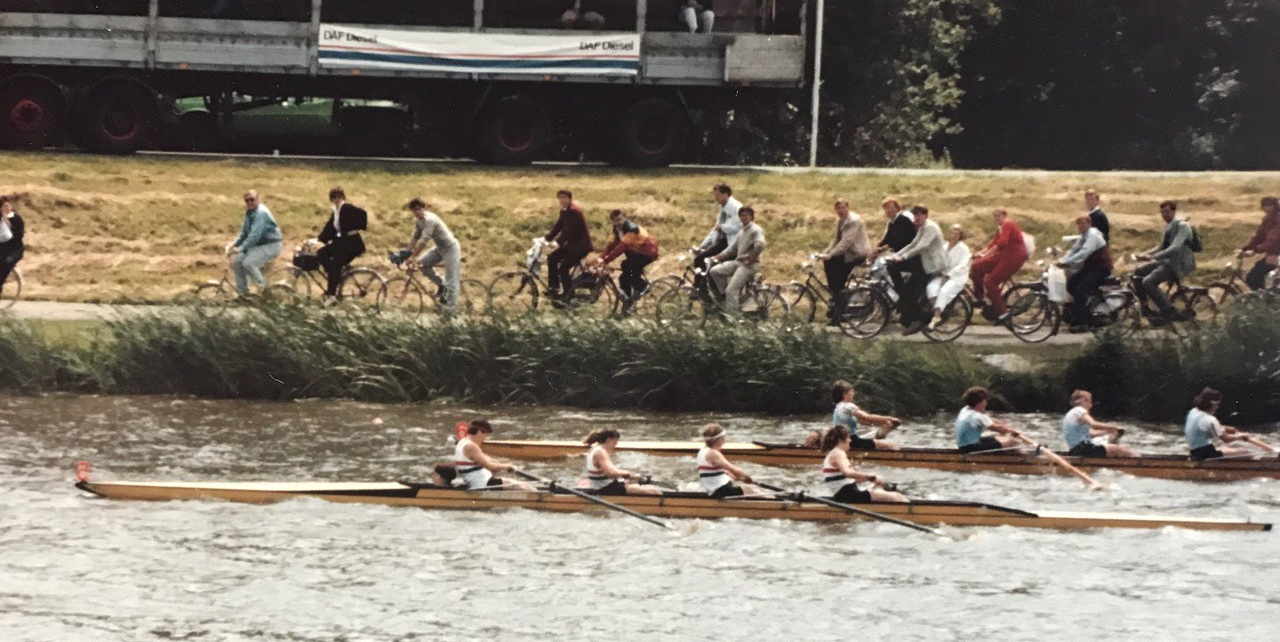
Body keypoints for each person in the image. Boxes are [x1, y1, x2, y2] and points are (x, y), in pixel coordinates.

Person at [1130, 200, 1196, 325]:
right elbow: (1161, 247)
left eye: (1167, 211)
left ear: (1173, 211)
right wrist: (1144, 254)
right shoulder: (1169, 226)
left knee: (1148, 282)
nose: (1164, 215)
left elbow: (1175, 247)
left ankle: (1169, 311)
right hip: (1166, 261)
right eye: (1162, 212)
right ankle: (1147, 309)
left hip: (1178, 263)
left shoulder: (1182, 226)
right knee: (1137, 273)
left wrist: (1154, 257)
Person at [886, 205, 946, 335]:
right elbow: (913, 244)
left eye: (919, 215)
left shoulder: (930, 227)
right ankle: (908, 312)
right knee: (902, 280)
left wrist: (903, 257)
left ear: (926, 216)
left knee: (912, 290)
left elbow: (922, 246)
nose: (917, 218)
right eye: (915, 215)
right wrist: (896, 255)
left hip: (932, 266)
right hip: (925, 264)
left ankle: (919, 319)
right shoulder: (923, 227)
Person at [819, 425, 908, 503]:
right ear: (840, 440)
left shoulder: (831, 454)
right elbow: (848, 473)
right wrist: (870, 476)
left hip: (844, 495)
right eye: (848, 437)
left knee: (879, 488)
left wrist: (870, 479)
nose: (850, 440)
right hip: (849, 495)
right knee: (897, 497)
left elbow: (841, 480)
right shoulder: (838, 453)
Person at [817, 198, 871, 324]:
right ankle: (836, 298)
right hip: (848, 254)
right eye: (838, 208)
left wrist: (831, 255)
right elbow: (836, 240)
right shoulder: (842, 221)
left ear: (847, 207)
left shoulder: (854, 220)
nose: (840, 210)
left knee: (837, 277)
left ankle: (839, 307)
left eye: (842, 207)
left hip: (857, 254)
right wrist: (825, 252)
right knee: (831, 267)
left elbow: (846, 242)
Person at [403, 198, 462, 313]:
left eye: (418, 209)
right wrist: (406, 253)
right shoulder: (418, 220)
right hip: (440, 247)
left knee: (452, 280)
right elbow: (415, 237)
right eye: (413, 210)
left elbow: (424, 241)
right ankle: (441, 284)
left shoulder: (430, 219)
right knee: (421, 265)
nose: (416, 212)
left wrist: (412, 257)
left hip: (451, 248)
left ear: (423, 208)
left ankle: (450, 311)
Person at [969, 209, 1028, 322]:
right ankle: (980, 297)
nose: (996, 218)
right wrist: (980, 253)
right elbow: (993, 244)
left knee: (990, 282)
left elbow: (1002, 243)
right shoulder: (1000, 227)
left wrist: (986, 254)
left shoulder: (1008, 224)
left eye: (998, 216)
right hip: (1004, 255)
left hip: (1014, 257)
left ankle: (1002, 314)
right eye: (994, 216)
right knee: (976, 267)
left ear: (1005, 215)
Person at [1184, 388, 1277, 460]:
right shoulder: (1210, 419)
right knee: (1247, 452)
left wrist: (1230, 429)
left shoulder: (1193, 412)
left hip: (1195, 452)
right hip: (1206, 454)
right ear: (1212, 404)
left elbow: (1204, 426)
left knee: (1230, 448)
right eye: (1217, 404)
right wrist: (1242, 436)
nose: (1217, 407)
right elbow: (1226, 439)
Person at [1056, 215, 1112, 332]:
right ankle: (1083, 312)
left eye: (1083, 224)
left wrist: (1068, 262)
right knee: (1071, 283)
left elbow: (1084, 252)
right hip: (1091, 268)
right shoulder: (1084, 236)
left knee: (1080, 291)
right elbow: (1074, 250)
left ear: (1089, 224)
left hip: (1101, 268)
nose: (1081, 226)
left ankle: (1083, 323)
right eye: (1079, 224)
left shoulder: (1092, 235)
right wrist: (1063, 260)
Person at [707, 206, 765, 315]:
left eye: (747, 215)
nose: (744, 217)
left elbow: (760, 245)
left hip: (749, 266)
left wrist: (751, 258)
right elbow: (732, 249)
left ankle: (732, 319)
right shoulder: (742, 231)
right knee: (714, 271)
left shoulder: (756, 230)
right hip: (739, 263)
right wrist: (716, 257)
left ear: (752, 217)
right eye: (742, 215)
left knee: (731, 290)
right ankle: (725, 299)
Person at [225, 190, 283, 297]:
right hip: (259, 245)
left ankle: (266, 291)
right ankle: (243, 294)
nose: (250, 202)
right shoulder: (250, 213)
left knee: (249, 263)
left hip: (271, 245)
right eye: (247, 201)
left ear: (258, 199)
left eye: (252, 199)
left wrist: (240, 248)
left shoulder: (261, 213)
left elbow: (254, 235)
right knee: (237, 262)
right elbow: (244, 234)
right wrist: (233, 245)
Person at [593, 209, 659, 301]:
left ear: (625, 217)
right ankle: (628, 301)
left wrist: (606, 260)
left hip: (647, 252)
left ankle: (644, 287)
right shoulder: (617, 230)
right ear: (612, 221)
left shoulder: (632, 228)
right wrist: (601, 258)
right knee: (624, 278)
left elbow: (621, 247)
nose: (618, 222)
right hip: (636, 253)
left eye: (620, 219)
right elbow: (611, 246)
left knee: (626, 265)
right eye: (615, 220)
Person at [316, 187, 368, 302]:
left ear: (342, 197)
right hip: (342, 242)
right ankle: (334, 277)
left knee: (335, 264)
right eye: (334, 197)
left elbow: (363, 214)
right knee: (320, 253)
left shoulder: (346, 208)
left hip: (352, 244)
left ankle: (332, 295)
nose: (336, 199)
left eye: (339, 197)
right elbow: (330, 227)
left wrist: (355, 228)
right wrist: (319, 239)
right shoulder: (336, 211)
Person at [454, 420, 535, 490]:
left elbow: (483, 459)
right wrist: (507, 466)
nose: (485, 438)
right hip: (482, 483)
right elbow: (490, 467)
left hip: (478, 480)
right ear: (479, 432)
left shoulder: (463, 442)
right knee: (524, 486)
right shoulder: (471, 446)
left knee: (519, 484)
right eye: (485, 435)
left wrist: (498, 463)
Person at [579, 429, 662, 496]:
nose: (615, 445)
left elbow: (607, 472)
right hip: (606, 488)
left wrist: (628, 476)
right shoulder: (601, 452)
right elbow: (610, 472)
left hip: (601, 485)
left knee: (634, 483)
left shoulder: (593, 449)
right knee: (654, 491)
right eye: (615, 442)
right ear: (608, 440)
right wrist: (628, 474)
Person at [696, 424, 770, 498]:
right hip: (720, 491)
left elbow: (716, 471)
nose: (724, 441)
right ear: (717, 440)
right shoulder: (713, 453)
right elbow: (733, 469)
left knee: (754, 489)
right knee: (752, 489)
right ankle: (775, 506)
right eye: (723, 438)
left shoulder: (702, 451)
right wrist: (747, 477)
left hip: (715, 489)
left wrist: (738, 477)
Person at [544, 190, 593, 300]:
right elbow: (558, 226)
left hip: (581, 247)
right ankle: (553, 288)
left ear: (570, 199)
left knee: (563, 268)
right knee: (552, 258)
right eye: (560, 198)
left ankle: (568, 295)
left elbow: (567, 231)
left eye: (565, 198)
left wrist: (557, 242)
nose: (562, 200)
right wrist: (546, 239)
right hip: (572, 246)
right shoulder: (565, 211)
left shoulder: (574, 211)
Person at [694, 184, 742, 292]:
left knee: (703, 261)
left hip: (731, 244)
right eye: (715, 195)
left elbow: (739, 226)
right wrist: (703, 245)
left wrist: (723, 227)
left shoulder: (736, 206)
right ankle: (704, 290)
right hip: (722, 242)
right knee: (701, 259)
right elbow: (716, 228)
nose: (716, 198)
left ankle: (703, 290)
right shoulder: (722, 207)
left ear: (726, 194)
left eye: (718, 195)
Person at [1062, 390, 1138, 458]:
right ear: (1079, 401)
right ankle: (1141, 466)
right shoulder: (1079, 410)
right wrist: (1114, 427)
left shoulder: (1071, 414)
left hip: (1076, 451)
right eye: (1088, 401)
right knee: (1123, 449)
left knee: (1115, 449)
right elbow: (1093, 424)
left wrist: (1107, 432)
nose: (1091, 405)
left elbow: (1090, 434)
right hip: (1083, 449)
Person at [830, 380, 901, 450]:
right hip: (852, 441)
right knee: (891, 446)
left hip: (843, 440)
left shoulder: (838, 407)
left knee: (877, 435)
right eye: (851, 391)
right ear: (844, 394)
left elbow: (867, 422)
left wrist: (885, 424)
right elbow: (867, 417)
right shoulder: (848, 406)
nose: (854, 393)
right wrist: (889, 418)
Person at [954, 387, 1023, 453]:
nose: (986, 403)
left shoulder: (965, 410)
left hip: (964, 445)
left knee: (999, 437)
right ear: (979, 403)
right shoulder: (977, 416)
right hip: (971, 448)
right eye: (985, 401)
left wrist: (1001, 423)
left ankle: (1009, 457)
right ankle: (1023, 462)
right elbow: (1001, 429)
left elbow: (988, 419)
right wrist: (1013, 431)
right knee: (1014, 442)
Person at [928, 224, 972, 324]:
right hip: (943, 275)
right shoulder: (944, 246)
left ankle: (936, 317)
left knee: (944, 291)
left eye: (957, 233)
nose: (954, 235)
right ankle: (935, 310)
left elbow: (962, 265)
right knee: (931, 288)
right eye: (953, 233)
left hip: (957, 277)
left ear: (960, 235)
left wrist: (948, 275)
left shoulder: (963, 249)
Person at [1240, 196, 1280, 291]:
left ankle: (1268, 302)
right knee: (1253, 278)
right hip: (1272, 255)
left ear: (1275, 206)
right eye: (1265, 206)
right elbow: (1259, 236)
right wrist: (1247, 247)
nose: (1267, 208)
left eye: (1269, 205)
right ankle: (1265, 299)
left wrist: (1255, 250)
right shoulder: (1267, 219)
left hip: (1277, 256)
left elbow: (1273, 240)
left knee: (1255, 278)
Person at [0, 195, 25, 298]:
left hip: (15, 249)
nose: (6, 208)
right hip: (2, 249)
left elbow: (19, 235)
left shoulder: (16, 218)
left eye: (7, 205)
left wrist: (8, 226)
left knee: (7, 263)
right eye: (4, 206)